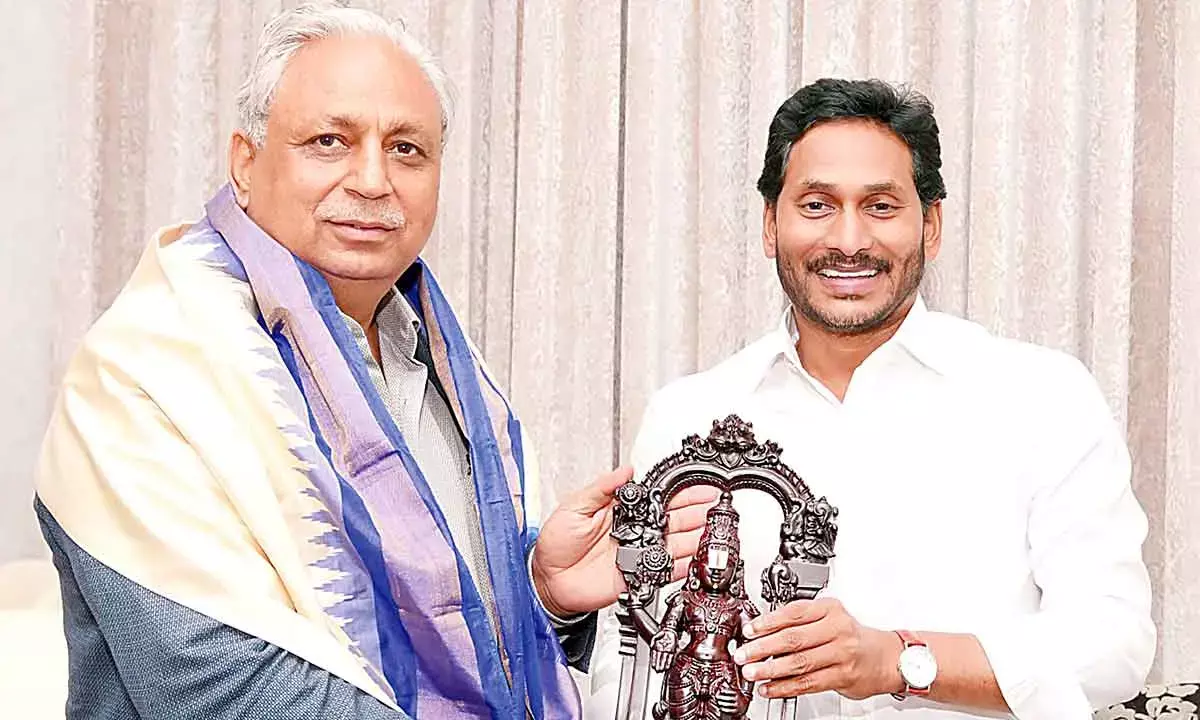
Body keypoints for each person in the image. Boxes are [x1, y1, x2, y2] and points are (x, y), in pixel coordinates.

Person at [34, 4, 713, 719]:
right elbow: (221, 690)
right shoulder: (144, 375)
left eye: (406, 149)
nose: (371, 180)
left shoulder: (439, 361)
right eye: (329, 140)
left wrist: (540, 595)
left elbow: (441, 641)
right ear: (245, 162)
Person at [586, 78, 1155, 720]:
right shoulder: (689, 415)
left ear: (930, 225)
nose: (850, 240)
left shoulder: (1041, 397)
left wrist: (895, 661)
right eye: (818, 205)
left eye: (881, 206)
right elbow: (626, 655)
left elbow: (1113, 644)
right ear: (771, 224)